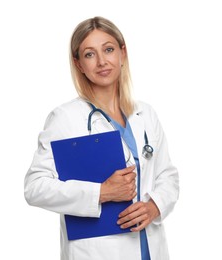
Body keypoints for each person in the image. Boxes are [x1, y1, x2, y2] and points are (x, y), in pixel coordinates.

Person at [24, 16, 179, 260]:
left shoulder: (145, 113)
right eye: (89, 54)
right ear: (78, 64)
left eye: (108, 49)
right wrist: (101, 192)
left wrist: (154, 206)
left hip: (149, 247)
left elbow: (167, 175)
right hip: (98, 251)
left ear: (122, 53)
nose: (101, 61)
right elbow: (35, 187)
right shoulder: (65, 118)